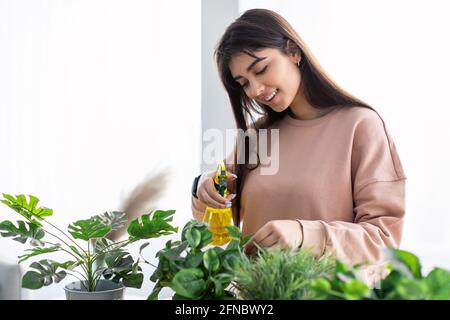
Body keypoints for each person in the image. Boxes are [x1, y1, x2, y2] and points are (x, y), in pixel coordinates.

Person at [191, 8, 406, 283]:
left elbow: (383, 242)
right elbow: (213, 229)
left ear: (293, 51)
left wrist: (304, 235)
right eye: (243, 83)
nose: (255, 90)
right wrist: (203, 189)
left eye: (261, 69)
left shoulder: (360, 126)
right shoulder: (257, 136)